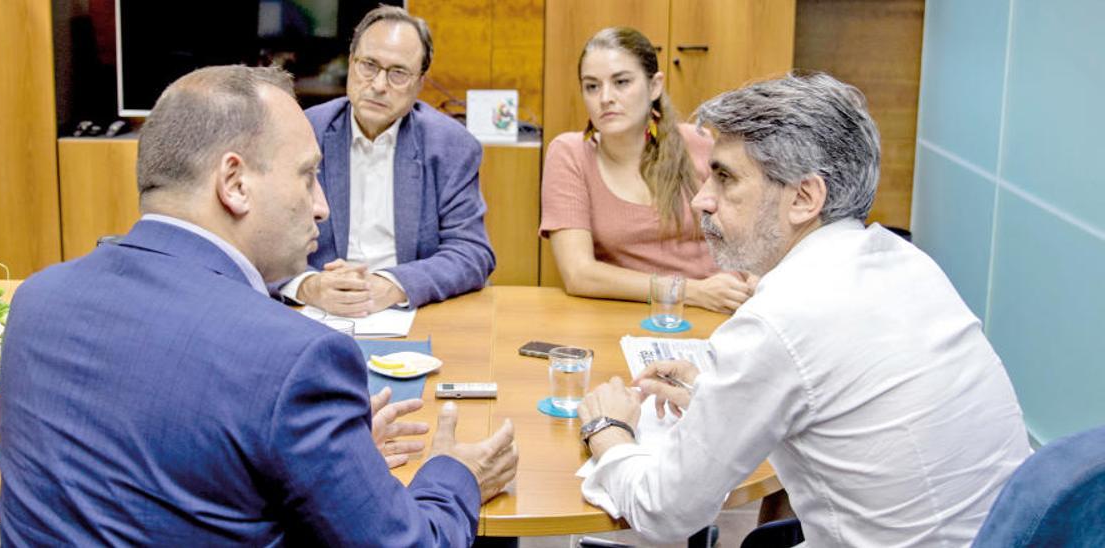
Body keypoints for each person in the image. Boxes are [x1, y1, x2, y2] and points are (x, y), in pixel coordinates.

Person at [0, 65, 518, 546]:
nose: (321, 207)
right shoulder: (295, 359)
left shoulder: (37, 301)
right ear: (235, 183)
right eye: (308, 175)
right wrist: (454, 475)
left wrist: (331, 463)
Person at [575, 72, 1030, 546]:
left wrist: (608, 431)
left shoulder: (780, 321)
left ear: (805, 198)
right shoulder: (908, 264)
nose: (703, 200)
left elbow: (664, 511)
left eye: (725, 177)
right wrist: (720, 392)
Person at [275, 5, 495, 317]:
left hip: (406, 312)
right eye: (369, 65)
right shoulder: (301, 133)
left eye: (398, 73)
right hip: (312, 312)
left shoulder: (450, 146)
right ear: (350, 64)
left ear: (419, 83)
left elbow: (472, 252)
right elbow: (258, 243)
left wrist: (392, 284)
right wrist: (309, 286)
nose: (379, 85)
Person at [540, 27, 755, 313]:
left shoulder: (699, 142)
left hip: (722, 306)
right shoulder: (570, 153)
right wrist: (689, 291)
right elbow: (579, 274)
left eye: (621, 82)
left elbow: (751, 234)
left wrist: (750, 281)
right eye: (592, 86)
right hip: (634, 313)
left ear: (654, 86)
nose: (605, 98)